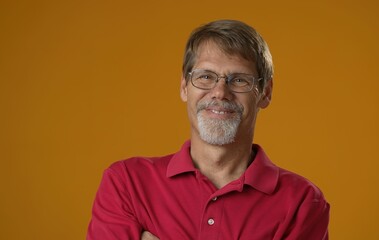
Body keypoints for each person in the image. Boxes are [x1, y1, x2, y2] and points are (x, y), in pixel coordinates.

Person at [87, 19, 330, 240]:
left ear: (265, 93)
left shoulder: (303, 202)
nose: (220, 92)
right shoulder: (127, 184)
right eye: (205, 77)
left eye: (239, 80)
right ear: (184, 87)